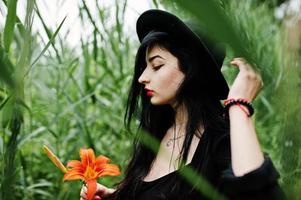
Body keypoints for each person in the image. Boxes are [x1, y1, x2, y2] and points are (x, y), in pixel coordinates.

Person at [80, 9, 286, 200]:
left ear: (191, 70)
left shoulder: (221, 140)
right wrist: (116, 196)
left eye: (157, 65)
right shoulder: (155, 134)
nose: (142, 77)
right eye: (145, 67)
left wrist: (238, 105)